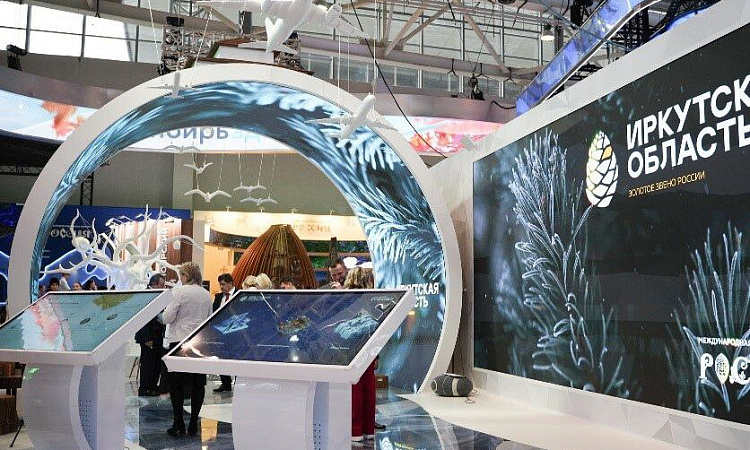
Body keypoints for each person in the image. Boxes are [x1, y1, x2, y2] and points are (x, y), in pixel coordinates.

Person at [162, 262, 212, 437]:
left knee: (176, 384)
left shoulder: (180, 292)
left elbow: (167, 317)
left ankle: (178, 423)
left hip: (179, 342)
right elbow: (209, 319)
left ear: (187, 275)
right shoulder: (206, 294)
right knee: (198, 384)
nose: (180, 278)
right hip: (199, 343)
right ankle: (193, 423)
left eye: (182, 275)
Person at [344, 267, 380, 445]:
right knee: (369, 386)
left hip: (350, 346)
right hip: (370, 346)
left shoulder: (346, 299)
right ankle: (368, 430)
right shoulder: (373, 300)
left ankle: (355, 430)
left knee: (355, 388)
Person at [135, 274, 167, 397]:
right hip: (148, 336)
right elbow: (142, 319)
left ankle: (153, 385)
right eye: (161, 285)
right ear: (154, 284)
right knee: (148, 363)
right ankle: (145, 387)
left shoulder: (157, 296)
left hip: (158, 335)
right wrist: (147, 338)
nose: (163, 287)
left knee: (156, 362)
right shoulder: (146, 296)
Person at [212, 273, 235, 393]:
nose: (221, 287)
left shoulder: (239, 295)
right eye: (220, 284)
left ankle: (238, 381)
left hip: (236, 332)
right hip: (221, 332)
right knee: (221, 356)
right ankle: (225, 383)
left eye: (223, 284)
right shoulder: (218, 297)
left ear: (230, 283)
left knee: (236, 357)